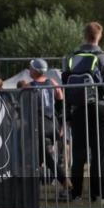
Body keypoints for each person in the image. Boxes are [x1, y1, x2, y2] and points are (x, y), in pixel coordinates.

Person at [63, 22, 104, 203]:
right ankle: (99, 194)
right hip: (100, 108)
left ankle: (76, 193)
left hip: (78, 108)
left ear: (84, 35)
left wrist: (68, 112)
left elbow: (65, 87)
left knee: (78, 154)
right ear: (99, 36)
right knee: (100, 154)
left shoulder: (71, 58)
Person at [25, 58, 68, 198]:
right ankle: (27, 188)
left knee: (45, 159)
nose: (29, 69)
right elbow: (60, 101)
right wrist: (61, 124)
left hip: (39, 125)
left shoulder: (28, 86)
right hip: (52, 123)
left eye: (30, 67)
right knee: (39, 158)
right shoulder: (53, 83)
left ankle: (68, 185)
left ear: (35, 70)